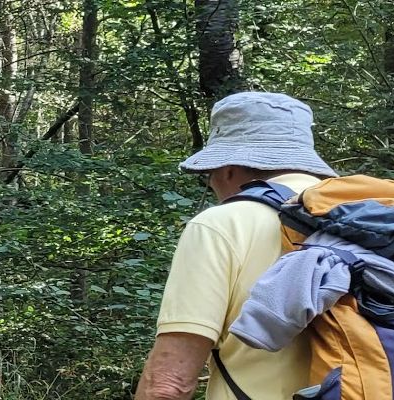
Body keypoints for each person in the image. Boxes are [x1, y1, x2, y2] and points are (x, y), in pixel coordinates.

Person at [134, 92, 339, 400]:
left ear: (227, 169)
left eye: (210, 174)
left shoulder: (223, 224)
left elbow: (169, 385)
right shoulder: (378, 224)